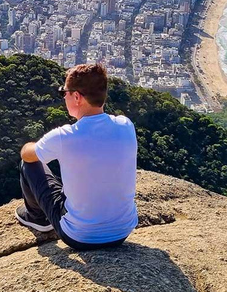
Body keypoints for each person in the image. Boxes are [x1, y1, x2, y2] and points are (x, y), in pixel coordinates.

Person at [15, 63, 138, 250]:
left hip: (79, 237)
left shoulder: (65, 136)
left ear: (77, 97)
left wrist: (32, 145)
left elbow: (28, 155)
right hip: (122, 232)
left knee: (29, 165)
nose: (63, 97)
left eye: (63, 92)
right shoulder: (126, 125)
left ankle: (37, 219)